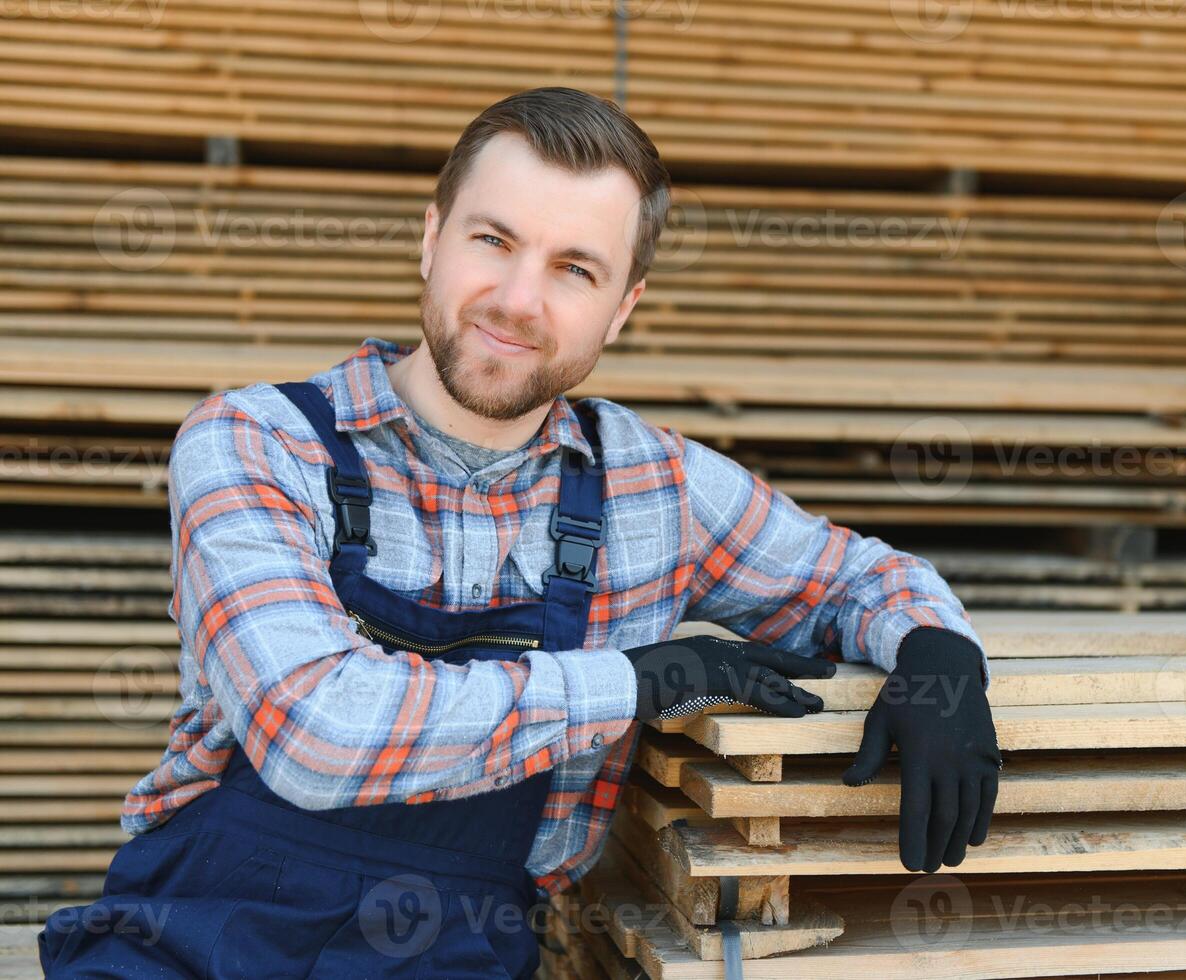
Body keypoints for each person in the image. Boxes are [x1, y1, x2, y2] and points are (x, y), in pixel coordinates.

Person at [37, 86, 1000, 978]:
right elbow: (314, 731)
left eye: (573, 268)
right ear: (430, 238)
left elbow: (853, 577)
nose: (516, 300)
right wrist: (635, 681)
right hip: (193, 945)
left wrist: (936, 652)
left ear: (621, 310)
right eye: (492, 240)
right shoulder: (257, 444)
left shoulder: (656, 488)